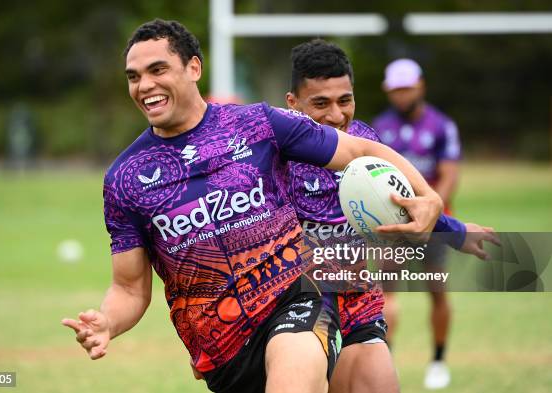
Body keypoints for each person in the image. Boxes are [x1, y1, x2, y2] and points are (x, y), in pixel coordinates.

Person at [61, 19, 445, 393]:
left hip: (296, 300)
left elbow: (359, 150)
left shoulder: (259, 124)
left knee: (303, 366)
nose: (145, 85)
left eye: (157, 69)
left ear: (194, 67)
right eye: (134, 76)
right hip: (223, 350)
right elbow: (129, 288)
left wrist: (426, 195)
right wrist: (107, 322)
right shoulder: (125, 178)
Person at [284, 40, 498, 393]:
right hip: (297, 306)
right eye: (320, 103)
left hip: (355, 299)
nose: (336, 115)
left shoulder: (367, 140)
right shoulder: (275, 151)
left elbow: (402, 204)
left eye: (345, 100)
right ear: (293, 102)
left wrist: (457, 232)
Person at [372, 58, 461, 389]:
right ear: (387, 90)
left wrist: (428, 210)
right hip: (393, 226)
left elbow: (450, 177)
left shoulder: (441, 126)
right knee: (385, 294)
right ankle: (386, 360)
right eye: (396, 89)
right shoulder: (379, 128)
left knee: (436, 294)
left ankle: (438, 360)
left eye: (406, 88)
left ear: (420, 85)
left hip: (433, 226)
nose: (401, 95)